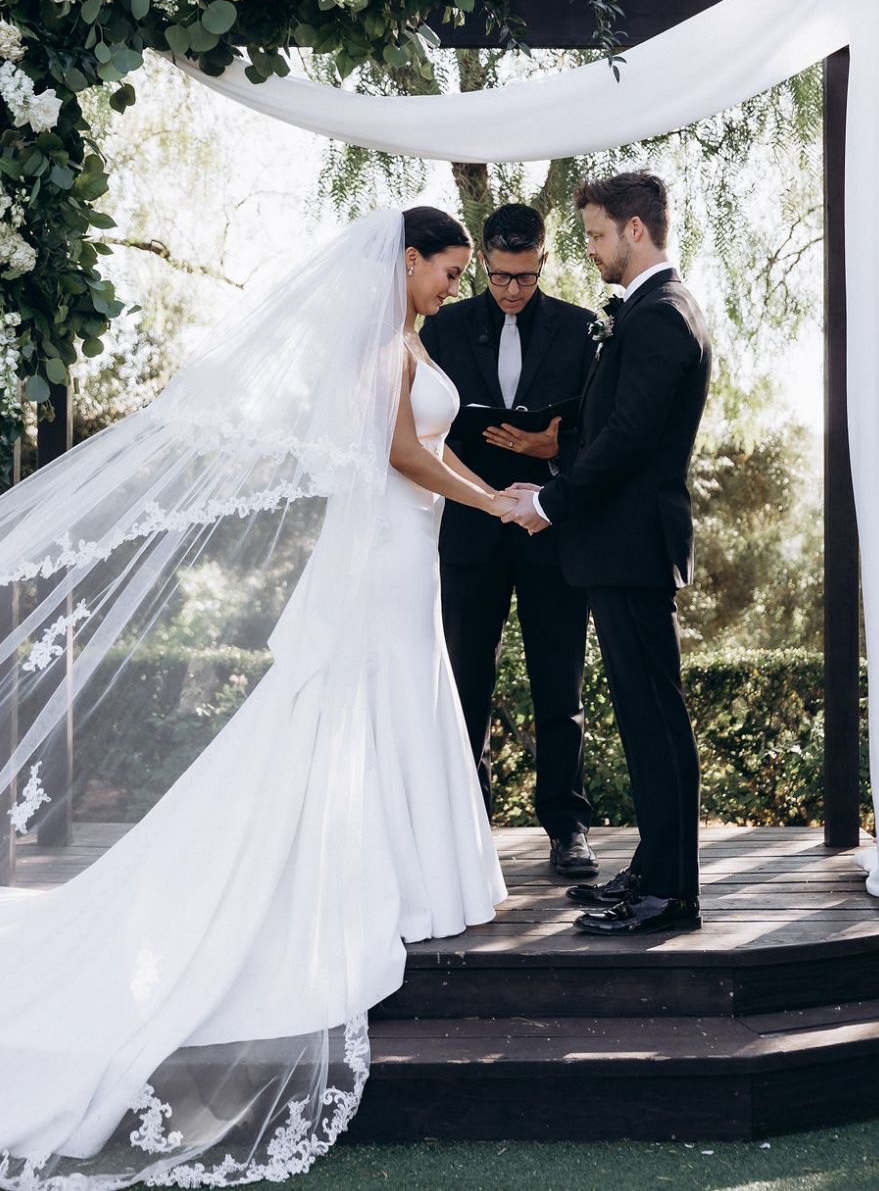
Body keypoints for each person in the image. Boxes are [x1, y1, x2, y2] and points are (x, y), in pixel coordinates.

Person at [0, 207, 513, 1189]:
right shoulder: (382, 350)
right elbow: (399, 452)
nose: (451, 287)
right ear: (406, 264)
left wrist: (482, 488)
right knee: (378, 690)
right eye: (445, 271)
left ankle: (427, 874)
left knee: (408, 687)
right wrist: (490, 497)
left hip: (409, 548)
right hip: (384, 548)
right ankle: (400, 877)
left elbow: (423, 447)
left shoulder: (406, 338)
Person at [504, 172, 712, 937]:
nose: (588, 249)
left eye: (593, 234)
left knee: (655, 721)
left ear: (633, 229)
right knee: (641, 717)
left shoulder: (660, 315)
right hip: (617, 546)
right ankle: (653, 870)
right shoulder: (651, 311)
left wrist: (549, 504)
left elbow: (628, 440)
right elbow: (605, 430)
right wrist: (553, 471)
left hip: (630, 546)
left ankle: (671, 894)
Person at [420, 204, 598, 879]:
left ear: (544, 262)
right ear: (484, 265)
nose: (510, 290)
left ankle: (567, 826)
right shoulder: (444, 324)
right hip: (469, 527)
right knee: (465, 681)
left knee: (561, 685)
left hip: (551, 527)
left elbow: (600, 429)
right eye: (498, 277)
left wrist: (556, 446)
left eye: (523, 278)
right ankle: (467, 824)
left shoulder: (583, 329)